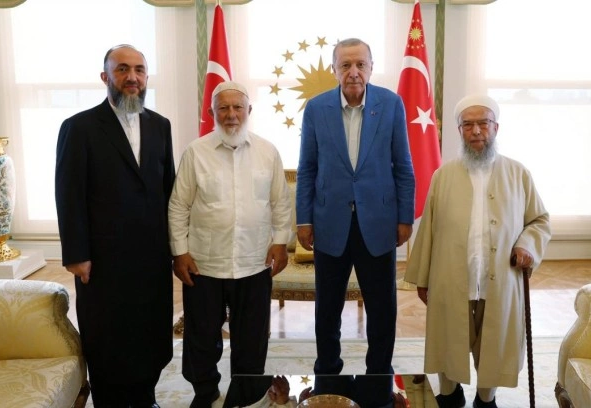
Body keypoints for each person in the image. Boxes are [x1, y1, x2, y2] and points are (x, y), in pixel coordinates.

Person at [404, 95, 551, 408]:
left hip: (500, 279)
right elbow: (428, 230)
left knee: (494, 342)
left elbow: (539, 221)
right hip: (451, 278)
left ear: (496, 127)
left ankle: (486, 400)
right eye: (467, 125)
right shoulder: (443, 175)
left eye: (483, 123)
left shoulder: (518, 173)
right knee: (448, 338)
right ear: (459, 131)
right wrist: (423, 278)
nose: (476, 131)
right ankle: (450, 394)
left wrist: (526, 245)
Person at [295, 38, 415, 408]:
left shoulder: (391, 104)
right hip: (329, 223)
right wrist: (303, 220)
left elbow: (403, 166)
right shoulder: (317, 109)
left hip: (378, 224)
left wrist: (404, 218)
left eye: (360, 64)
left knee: (382, 309)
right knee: (327, 309)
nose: (353, 72)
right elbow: (307, 168)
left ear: (371, 68)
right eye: (345, 65)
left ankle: (378, 379)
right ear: (334, 69)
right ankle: (328, 376)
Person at [55, 44, 175, 408]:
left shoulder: (160, 125)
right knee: (109, 337)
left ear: (147, 77)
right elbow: (69, 194)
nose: (132, 77)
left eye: (139, 69)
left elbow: (168, 190)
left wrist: (175, 248)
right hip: (103, 259)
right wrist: (77, 254)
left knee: (150, 332)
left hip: (152, 256)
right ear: (105, 76)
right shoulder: (79, 127)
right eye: (122, 69)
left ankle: (145, 397)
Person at [168, 81, 292, 408]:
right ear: (212, 113)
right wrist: (179, 252)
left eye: (238, 107)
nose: (231, 114)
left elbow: (280, 202)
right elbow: (178, 205)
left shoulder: (268, 152)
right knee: (201, 337)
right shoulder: (196, 152)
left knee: (251, 338)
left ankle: (244, 396)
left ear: (249, 111)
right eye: (223, 108)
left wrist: (281, 242)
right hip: (204, 263)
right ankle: (205, 391)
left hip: (253, 262)